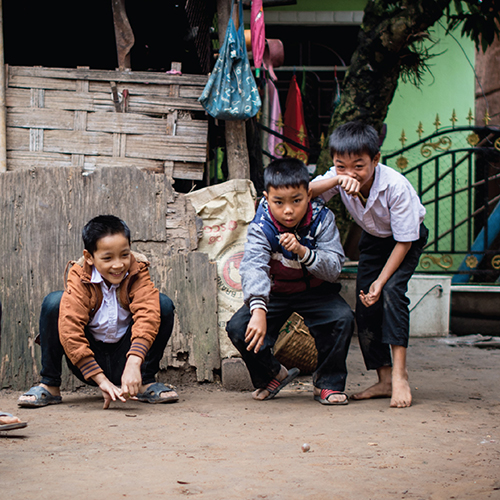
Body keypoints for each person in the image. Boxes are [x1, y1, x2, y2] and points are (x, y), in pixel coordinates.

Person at [311, 121, 428, 408]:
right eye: (341, 166)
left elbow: (404, 242)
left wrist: (381, 280)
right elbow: (308, 191)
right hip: (374, 241)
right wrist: (336, 179)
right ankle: (384, 378)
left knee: (390, 294)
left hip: (404, 242)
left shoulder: (396, 187)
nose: (350, 173)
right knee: (366, 303)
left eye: (359, 166)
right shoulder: (338, 176)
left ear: (376, 160)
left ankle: (400, 376)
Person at [226, 158, 354, 405]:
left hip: (316, 290)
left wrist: (304, 252)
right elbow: (253, 266)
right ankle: (273, 374)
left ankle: (327, 384)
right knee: (240, 328)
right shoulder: (261, 224)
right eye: (278, 202)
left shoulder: (322, 218)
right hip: (277, 292)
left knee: (342, 318)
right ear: (266, 198)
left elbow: (335, 267)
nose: (288, 210)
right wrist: (259, 307)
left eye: (296, 201)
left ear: (309, 194)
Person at [18, 215, 178, 409]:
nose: (118, 264)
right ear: (89, 257)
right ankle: (50, 385)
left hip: (128, 361)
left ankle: (144, 382)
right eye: (108, 258)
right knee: (55, 303)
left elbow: (147, 315)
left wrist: (134, 363)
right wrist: (101, 380)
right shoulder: (79, 276)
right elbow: (70, 330)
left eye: (124, 255)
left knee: (161, 304)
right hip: (89, 360)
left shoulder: (138, 271)